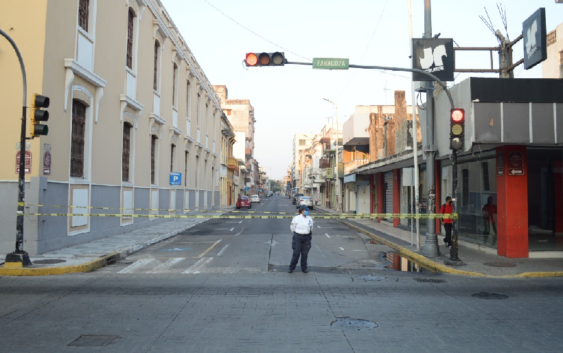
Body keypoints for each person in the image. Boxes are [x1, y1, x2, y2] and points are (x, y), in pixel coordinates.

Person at [289, 205, 313, 273]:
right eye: (305, 210)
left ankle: (304, 268)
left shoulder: (309, 218)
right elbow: (292, 227)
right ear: (302, 211)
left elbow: (311, 228)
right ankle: (291, 267)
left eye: (307, 210)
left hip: (306, 237)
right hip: (298, 237)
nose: (307, 212)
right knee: (296, 253)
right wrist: (296, 233)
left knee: (305, 254)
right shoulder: (296, 218)